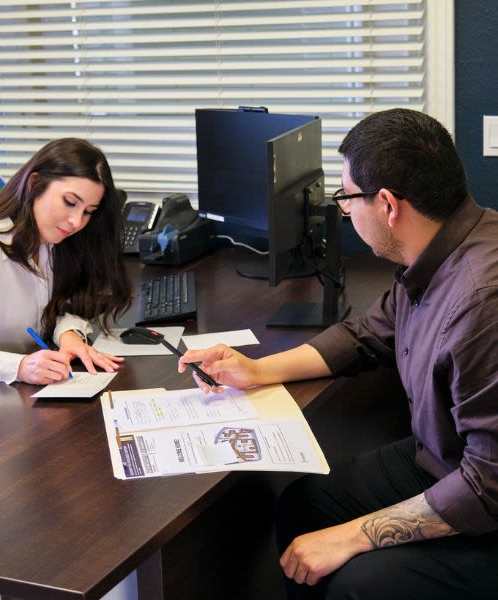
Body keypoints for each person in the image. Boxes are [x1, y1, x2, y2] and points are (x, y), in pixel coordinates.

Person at [178, 109, 498, 599]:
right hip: (444, 457)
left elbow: (486, 486)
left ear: (388, 204)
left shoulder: (480, 302)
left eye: (347, 197)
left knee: (355, 581)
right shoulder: (440, 252)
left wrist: (351, 538)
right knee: (304, 506)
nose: (344, 210)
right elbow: (367, 333)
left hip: (482, 496)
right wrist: (257, 369)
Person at [0, 138, 131, 385]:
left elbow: (52, 308)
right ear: (34, 183)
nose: (76, 222)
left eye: (88, 211)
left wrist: (68, 333)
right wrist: (17, 367)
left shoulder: (54, 242)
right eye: (70, 202)